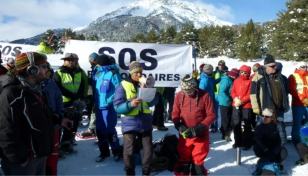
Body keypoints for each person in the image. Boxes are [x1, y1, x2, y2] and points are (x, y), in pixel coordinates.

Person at [0, 52, 55, 175]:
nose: (48, 69)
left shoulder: (35, 89)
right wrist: (19, 157)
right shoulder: (12, 93)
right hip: (23, 161)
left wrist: (59, 120)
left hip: (38, 155)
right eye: (44, 66)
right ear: (32, 69)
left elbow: (37, 118)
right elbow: (5, 129)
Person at [113, 61, 158, 176]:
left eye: (141, 72)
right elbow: (117, 106)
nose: (139, 75)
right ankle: (129, 171)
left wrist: (147, 90)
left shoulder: (146, 83)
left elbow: (154, 101)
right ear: (131, 73)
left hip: (145, 122)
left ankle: (146, 170)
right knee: (128, 150)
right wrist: (130, 105)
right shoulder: (123, 85)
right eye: (136, 72)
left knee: (148, 148)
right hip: (129, 123)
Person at [173, 74, 215, 176]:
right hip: (185, 135)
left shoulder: (204, 95)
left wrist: (200, 127)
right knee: (184, 164)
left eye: (190, 91)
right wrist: (178, 125)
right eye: (185, 92)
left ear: (194, 88)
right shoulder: (179, 95)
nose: (188, 94)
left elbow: (212, 115)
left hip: (201, 135)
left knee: (198, 166)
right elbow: (175, 113)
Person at [251, 54, 290, 149]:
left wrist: (286, 104)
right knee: (262, 129)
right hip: (265, 109)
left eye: (275, 65)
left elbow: (286, 93)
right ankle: (262, 150)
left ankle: (279, 150)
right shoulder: (259, 77)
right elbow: (253, 93)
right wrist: (256, 107)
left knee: (280, 129)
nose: (274, 68)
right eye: (272, 66)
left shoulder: (281, 77)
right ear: (266, 67)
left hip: (279, 108)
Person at [41, 63, 73, 175]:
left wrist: (60, 117)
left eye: (48, 69)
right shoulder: (32, 86)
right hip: (40, 128)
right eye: (45, 69)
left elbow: (59, 101)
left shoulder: (51, 83)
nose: (49, 72)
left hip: (54, 126)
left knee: (53, 155)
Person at [52, 53, 89, 150]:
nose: (70, 61)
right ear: (64, 61)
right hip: (63, 102)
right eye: (68, 60)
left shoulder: (80, 72)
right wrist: (69, 95)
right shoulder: (59, 72)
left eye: (72, 60)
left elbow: (82, 85)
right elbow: (57, 87)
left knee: (72, 123)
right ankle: (57, 144)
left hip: (75, 101)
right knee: (60, 122)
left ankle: (66, 142)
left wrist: (80, 95)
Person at [94, 54, 122, 162]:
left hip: (109, 108)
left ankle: (116, 151)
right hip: (99, 108)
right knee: (100, 131)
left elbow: (119, 91)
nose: (96, 65)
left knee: (110, 130)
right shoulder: (99, 73)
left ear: (102, 63)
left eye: (98, 63)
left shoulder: (113, 74)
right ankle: (104, 152)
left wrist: (109, 101)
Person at [253, 108, 288, 176]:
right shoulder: (259, 124)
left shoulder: (279, 124)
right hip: (264, 147)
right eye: (262, 116)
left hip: (276, 146)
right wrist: (266, 150)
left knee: (284, 153)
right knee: (257, 149)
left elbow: (283, 140)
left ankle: (277, 162)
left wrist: (274, 151)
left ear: (272, 117)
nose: (264, 118)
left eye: (266, 116)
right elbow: (258, 139)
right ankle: (263, 160)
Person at [231, 65, 253, 150]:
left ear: (248, 73)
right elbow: (233, 91)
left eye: (245, 72)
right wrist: (235, 98)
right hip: (236, 104)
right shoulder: (236, 80)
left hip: (246, 106)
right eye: (241, 72)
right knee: (236, 124)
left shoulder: (250, 81)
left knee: (247, 125)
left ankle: (246, 143)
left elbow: (250, 94)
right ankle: (237, 142)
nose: (243, 73)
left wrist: (242, 101)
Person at [288, 62, 308, 149]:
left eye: (306, 66)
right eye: (302, 66)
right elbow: (292, 90)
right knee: (297, 124)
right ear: (298, 67)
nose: (305, 68)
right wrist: (303, 98)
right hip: (298, 104)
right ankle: (296, 141)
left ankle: (306, 140)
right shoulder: (293, 76)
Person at [80, 52, 99, 137]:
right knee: (94, 111)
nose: (90, 61)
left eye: (92, 60)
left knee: (95, 111)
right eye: (89, 59)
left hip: (99, 94)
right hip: (95, 92)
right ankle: (94, 128)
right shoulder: (94, 68)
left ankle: (92, 129)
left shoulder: (98, 69)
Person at [218, 68, 239, 141]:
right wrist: (227, 100)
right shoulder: (226, 80)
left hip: (229, 101)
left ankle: (226, 130)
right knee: (225, 119)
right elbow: (222, 91)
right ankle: (225, 134)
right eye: (236, 76)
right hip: (224, 102)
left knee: (230, 118)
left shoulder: (230, 79)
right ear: (233, 76)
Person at [212, 60, 227, 133]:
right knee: (214, 111)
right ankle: (214, 126)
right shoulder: (214, 73)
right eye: (219, 65)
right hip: (215, 94)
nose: (221, 66)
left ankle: (224, 127)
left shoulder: (227, 73)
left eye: (222, 65)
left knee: (223, 112)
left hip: (223, 94)